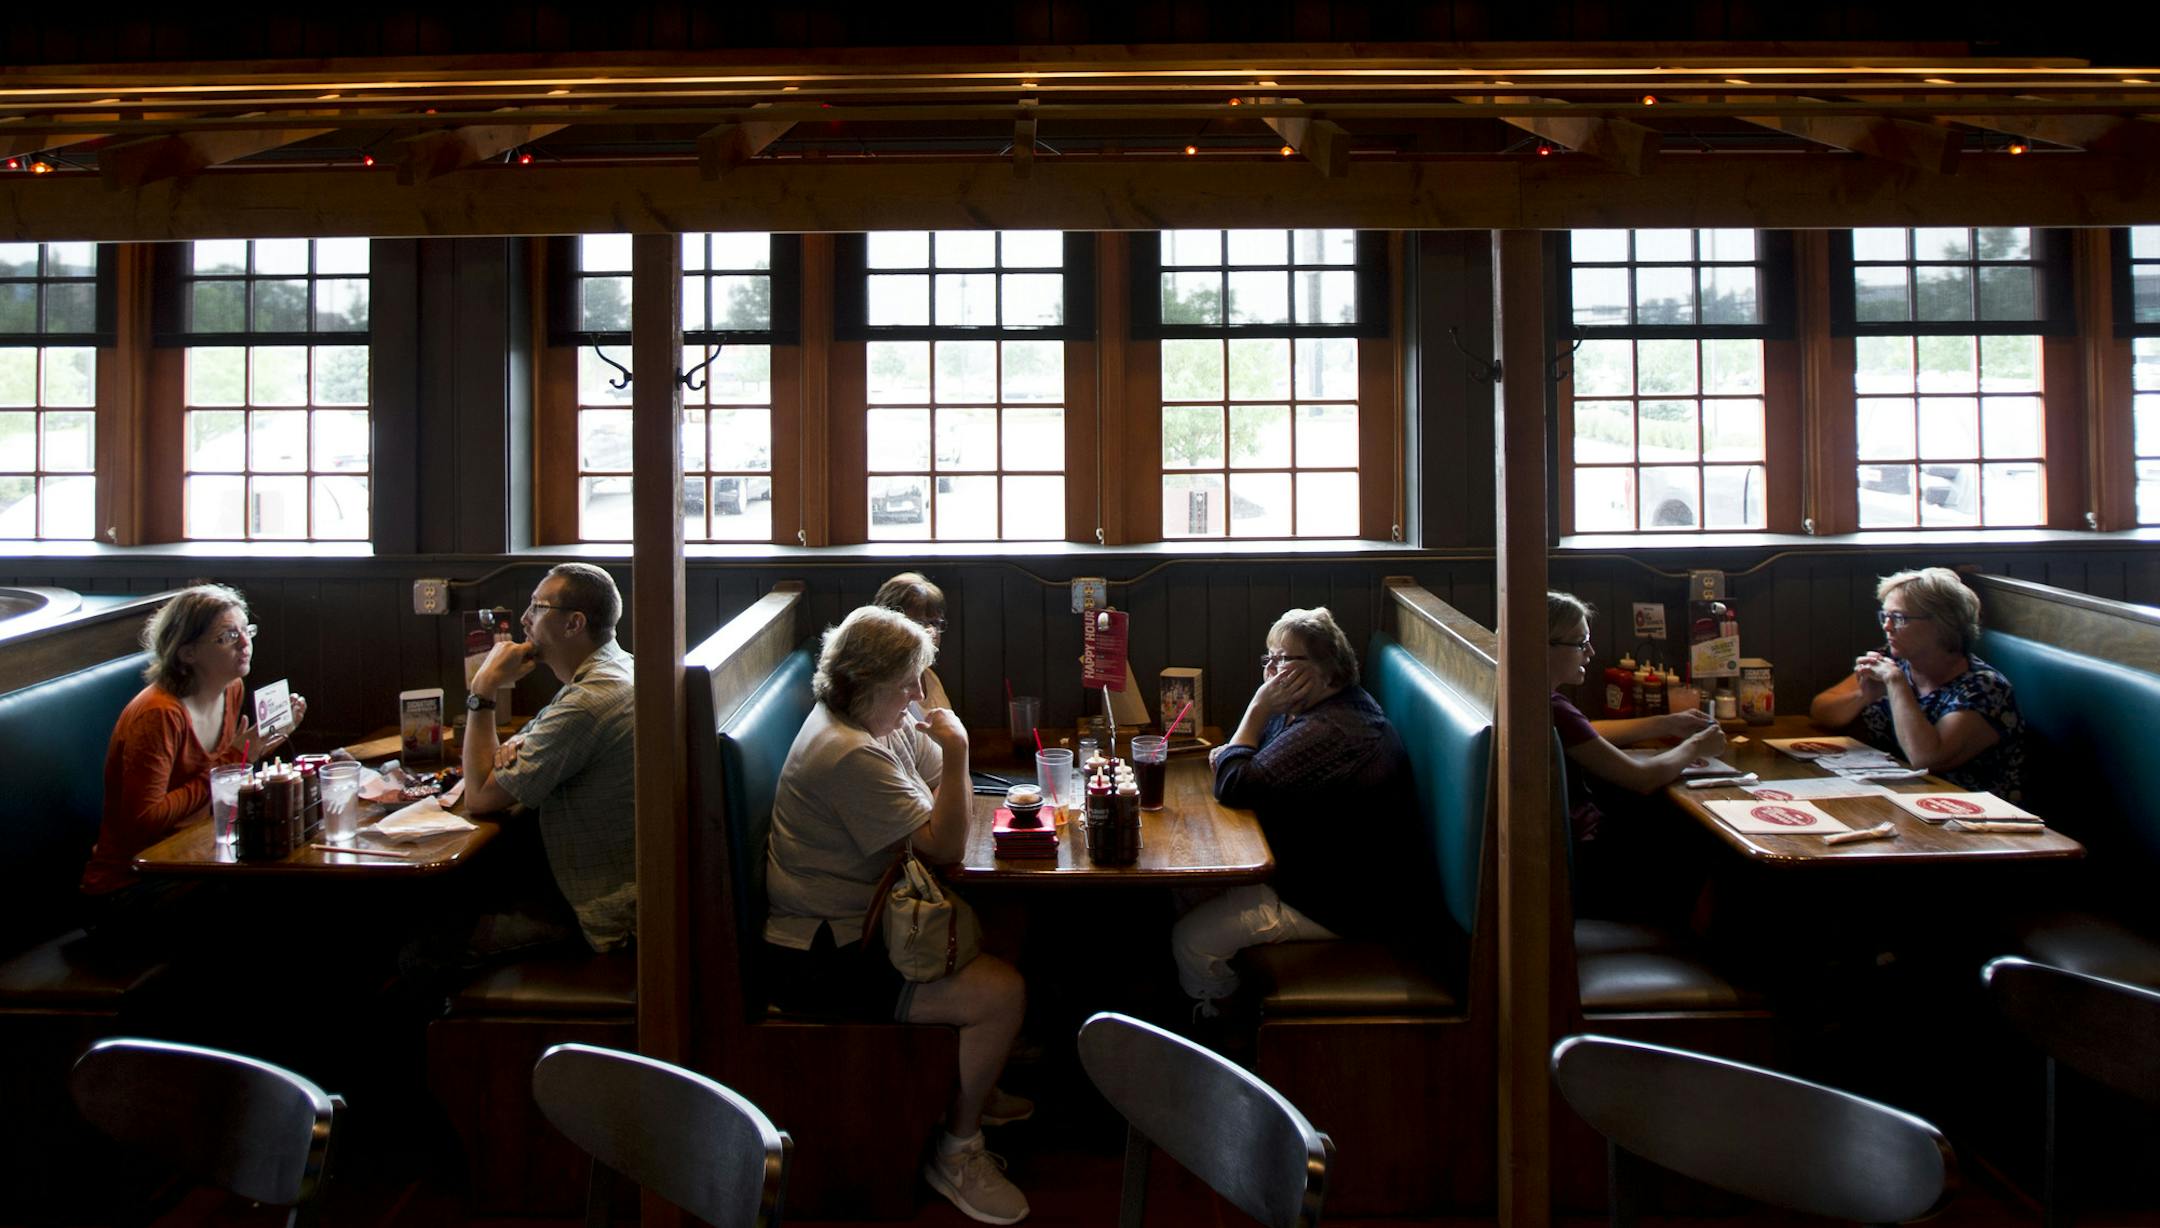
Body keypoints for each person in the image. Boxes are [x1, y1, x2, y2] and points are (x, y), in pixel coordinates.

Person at [764, 605, 1030, 1225]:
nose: (918, 696)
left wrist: (947, 764)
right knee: (1002, 992)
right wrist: (959, 751)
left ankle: (973, 1087)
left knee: (1012, 923)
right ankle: (957, 1153)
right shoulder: (847, 750)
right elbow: (946, 842)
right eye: (910, 682)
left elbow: (936, 787)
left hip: (868, 920)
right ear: (866, 680)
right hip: (822, 956)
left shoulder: (873, 719)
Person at [1177, 607, 1414, 1020]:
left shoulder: (1333, 728)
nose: (1271, 670)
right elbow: (1245, 765)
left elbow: (1234, 784)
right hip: (1307, 870)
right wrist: (1241, 753)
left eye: (1283, 660)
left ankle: (1223, 1019)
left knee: (1190, 939)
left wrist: (1257, 708)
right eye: (1268, 658)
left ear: (1326, 668)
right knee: (1182, 889)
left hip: (1340, 901)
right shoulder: (1313, 710)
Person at [82, 583, 306, 917]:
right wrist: (234, 760)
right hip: (128, 887)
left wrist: (252, 753)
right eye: (227, 637)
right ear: (187, 652)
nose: (245, 644)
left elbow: (217, 794)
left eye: (247, 631)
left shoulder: (230, 689)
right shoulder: (159, 715)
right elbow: (145, 820)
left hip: (194, 860)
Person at [454, 562, 637, 964]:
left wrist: (483, 689)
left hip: (594, 909)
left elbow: (480, 797)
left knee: (426, 944)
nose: (524, 619)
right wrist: (513, 751)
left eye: (537, 608)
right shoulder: (617, 668)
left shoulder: (588, 702)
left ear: (574, 624)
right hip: (595, 885)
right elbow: (516, 752)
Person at [1548, 591, 1725, 918]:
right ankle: (1697, 949)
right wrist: (1698, 746)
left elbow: (1587, 734)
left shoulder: (1534, 696)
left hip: (1570, 845)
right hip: (1589, 860)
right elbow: (1642, 779)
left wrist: (1666, 723)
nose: (1590, 651)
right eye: (1579, 642)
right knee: (1709, 838)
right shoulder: (1553, 708)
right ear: (1544, 646)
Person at [1809, 566, 2024, 799]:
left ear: (1942, 624)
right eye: (1885, 616)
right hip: (1900, 799)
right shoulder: (1894, 660)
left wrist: (1895, 684)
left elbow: (1926, 758)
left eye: (1899, 618)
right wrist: (1863, 697)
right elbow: (1821, 710)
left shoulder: (1984, 689)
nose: (1886, 626)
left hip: (1972, 817)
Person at [872, 570, 953, 713]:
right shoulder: (886, 688)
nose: (931, 632)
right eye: (919, 623)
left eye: (935, 623)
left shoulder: (929, 677)